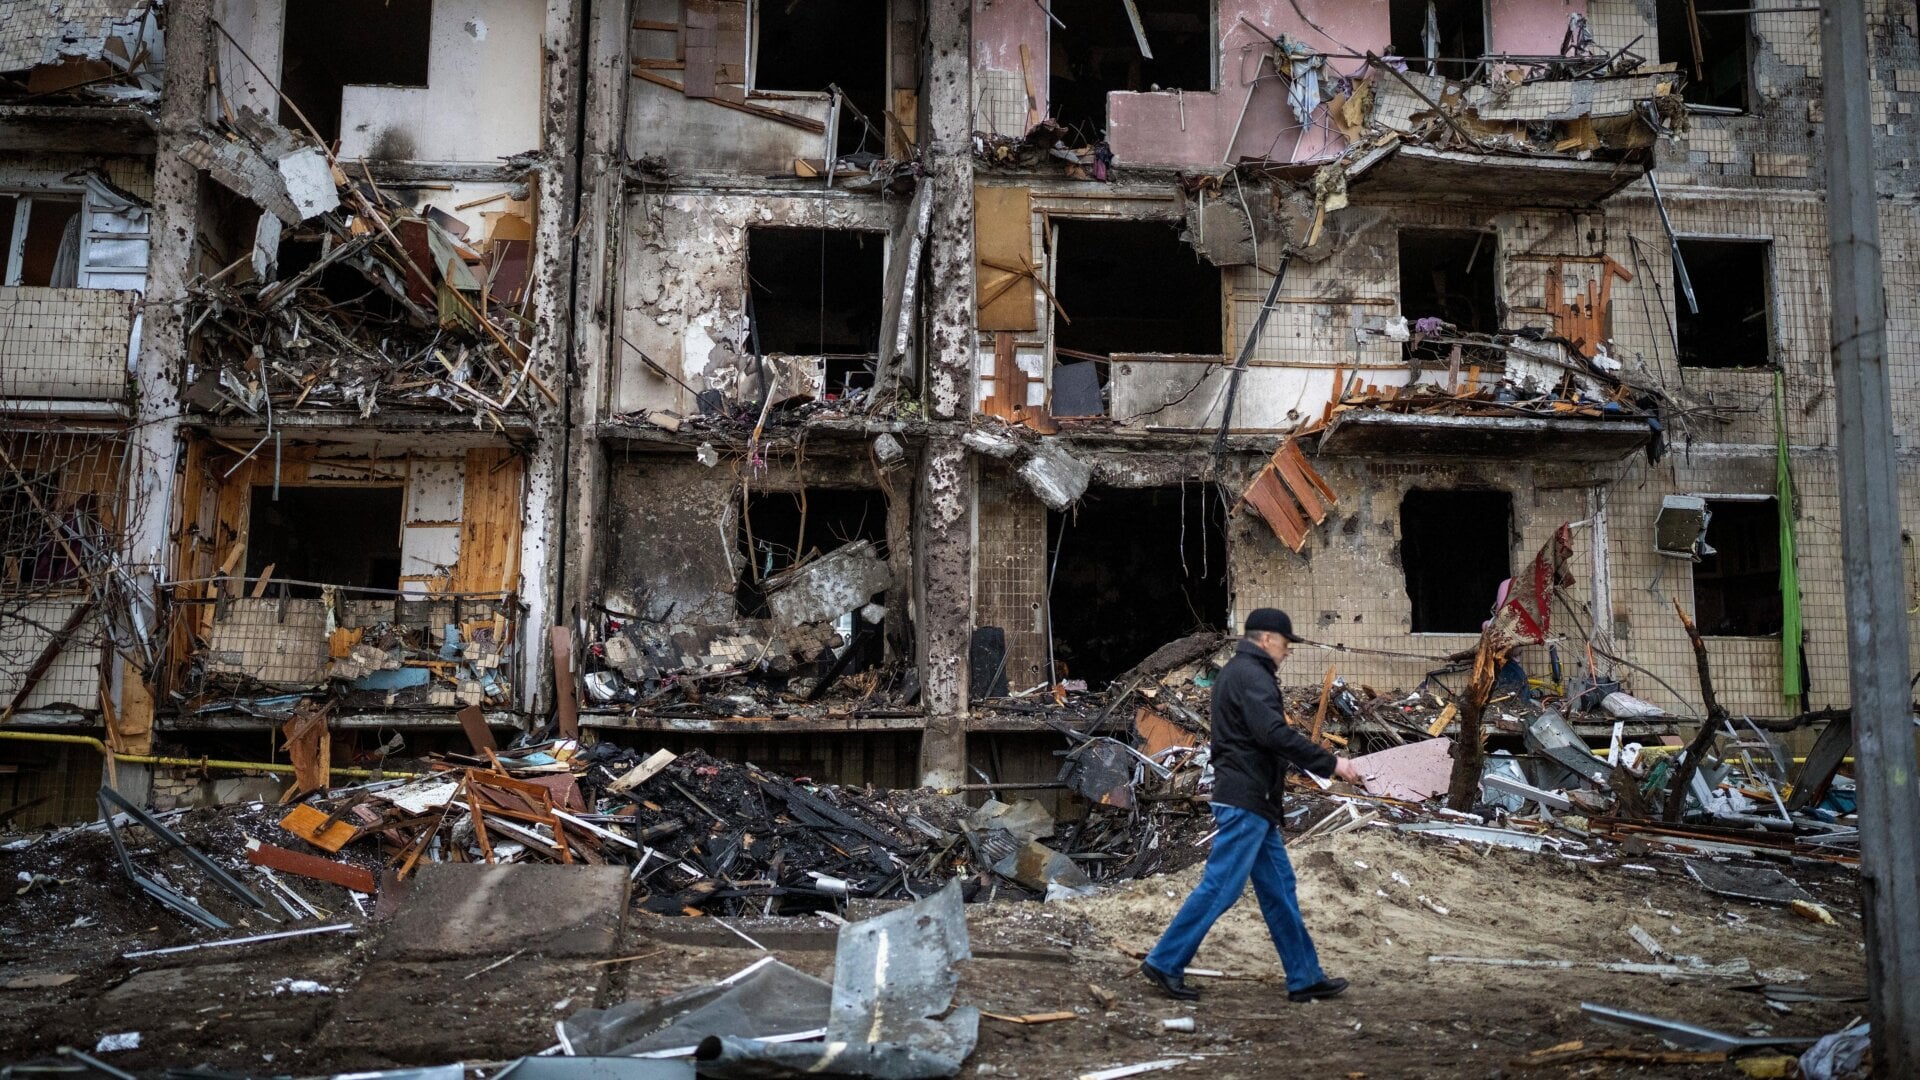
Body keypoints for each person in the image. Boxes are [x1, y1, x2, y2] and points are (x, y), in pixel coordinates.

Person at [1140, 608, 1362, 1004]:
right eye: (1286, 643)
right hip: (1246, 800)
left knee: (1279, 889)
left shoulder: (1239, 673)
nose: (1288, 651)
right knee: (1222, 887)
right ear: (1267, 639)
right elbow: (1272, 733)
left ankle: (1304, 977)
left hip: (1253, 801)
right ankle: (1165, 960)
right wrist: (1332, 763)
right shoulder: (1252, 676)